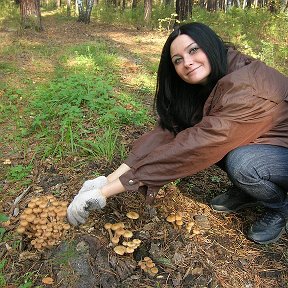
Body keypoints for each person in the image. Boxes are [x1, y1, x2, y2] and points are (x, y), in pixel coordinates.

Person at [67, 22, 288, 245]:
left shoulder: (247, 88)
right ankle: (249, 190)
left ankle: (280, 207)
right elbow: (169, 130)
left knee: (242, 164)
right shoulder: (210, 76)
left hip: (283, 151)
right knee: (220, 146)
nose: (187, 62)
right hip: (263, 139)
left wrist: (106, 193)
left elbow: (199, 145)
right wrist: (106, 180)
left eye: (193, 50)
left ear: (210, 44)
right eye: (178, 60)